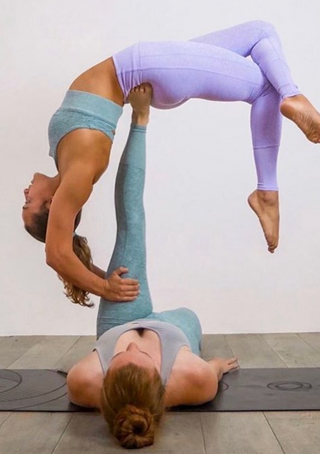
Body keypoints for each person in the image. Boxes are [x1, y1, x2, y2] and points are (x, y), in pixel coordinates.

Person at [22, 20, 320, 306]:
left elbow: (64, 252)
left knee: (260, 37)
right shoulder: (76, 179)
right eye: (27, 205)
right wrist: (105, 288)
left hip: (156, 66)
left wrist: (100, 276)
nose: (24, 195)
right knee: (267, 86)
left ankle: (270, 185)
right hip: (149, 67)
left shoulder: (67, 163)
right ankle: (268, 187)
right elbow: (57, 253)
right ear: (50, 203)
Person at [66, 85, 239, 449]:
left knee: (132, 221)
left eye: (118, 360)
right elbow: (214, 371)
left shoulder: (84, 381)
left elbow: (109, 375)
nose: (128, 350)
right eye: (140, 358)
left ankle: (140, 119)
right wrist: (218, 366)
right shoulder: (192, 379)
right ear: (162, 386)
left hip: (123, 315)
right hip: (173, 329)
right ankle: (179, 324)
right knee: (192, 315)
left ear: (105, 382)